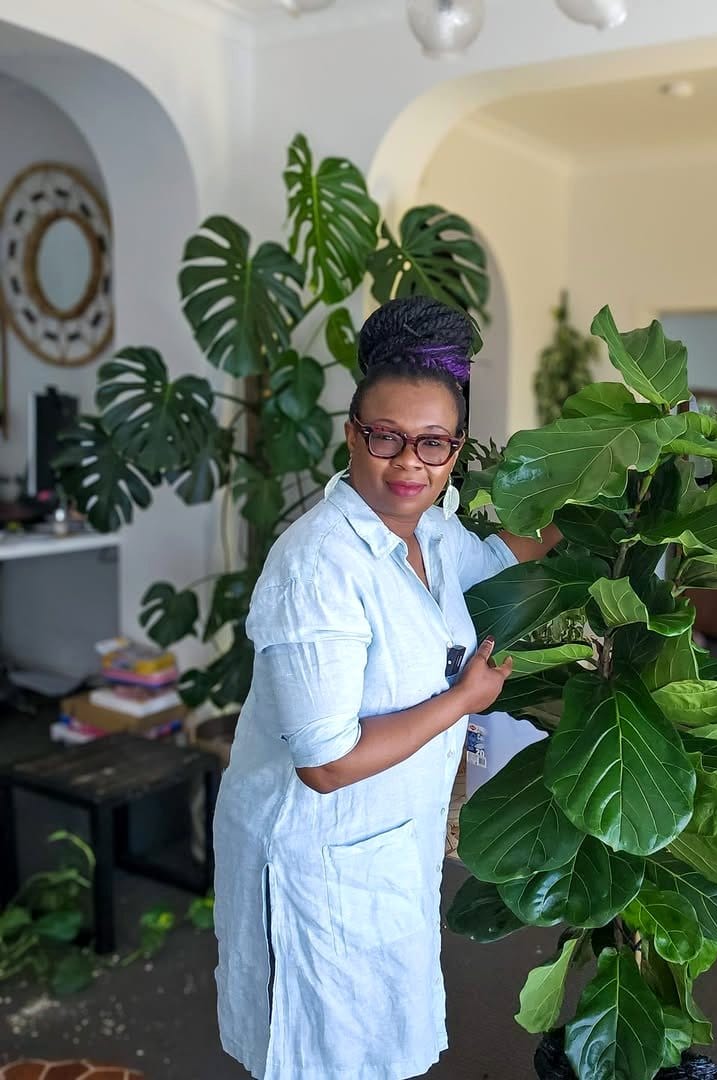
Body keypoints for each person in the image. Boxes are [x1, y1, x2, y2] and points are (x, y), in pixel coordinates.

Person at [213, 297, 561, 1080]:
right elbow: (326, 763)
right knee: (321, 1053)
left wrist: (596, 493)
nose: (410, 464)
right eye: (387, 438)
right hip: (311, 857)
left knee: (378, 1043)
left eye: (433, 444)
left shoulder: (430, 533)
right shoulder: (317, 566)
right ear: (352, 435)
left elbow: (502, 563)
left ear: (456, 449)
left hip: (386, 845)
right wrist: (462, 702)